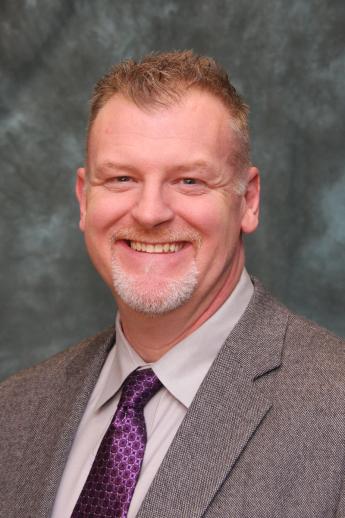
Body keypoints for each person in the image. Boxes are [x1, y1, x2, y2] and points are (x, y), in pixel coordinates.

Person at [1, 50, 345, 518]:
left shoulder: (333, 411)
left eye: (189, 180)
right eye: (121, 178)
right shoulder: (15, 410)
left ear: (248, 200)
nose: (149, 212)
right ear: (85, 198)